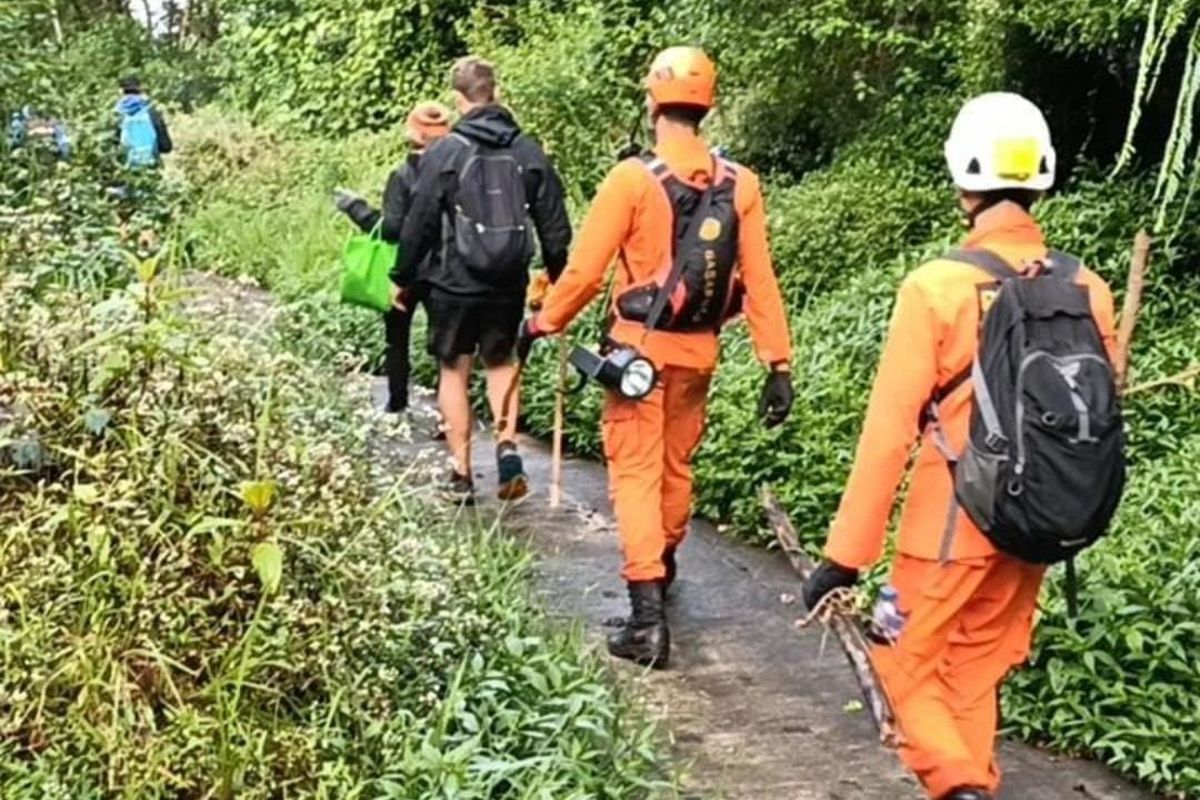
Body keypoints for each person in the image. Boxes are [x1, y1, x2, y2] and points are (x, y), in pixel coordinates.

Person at [801, 93, 1119, 800]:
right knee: (970, 674)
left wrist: (843, 558)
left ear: (963, 181)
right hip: (1038, 522)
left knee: (896, 662)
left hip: (948, 527)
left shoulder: (937, 287)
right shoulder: (1087, 288)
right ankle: (972, 785)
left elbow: (887, 434)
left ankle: (962, 790)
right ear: (1041, 177)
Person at [517, 47, 794, 669]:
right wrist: (777, 362)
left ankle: (646, 620)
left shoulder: (632, 180)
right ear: (709, 105)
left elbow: (585, 271)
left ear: (652, 102)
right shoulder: (739, 183)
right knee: (675, 467)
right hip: (699, 353)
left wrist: (542, 322)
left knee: (637, 476)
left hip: (638, 354)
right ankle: (661, 572)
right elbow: (760, 279)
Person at [396, 56, 571, 504]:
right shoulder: (528, 151)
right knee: (501, 361)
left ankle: (461, 474)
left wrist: (403, 276)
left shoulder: (446, 152)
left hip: (454, 281)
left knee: (454, 369)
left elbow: (419, 221)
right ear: (496, 92)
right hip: (507, 281)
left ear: (459, 99)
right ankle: (508, 448)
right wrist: (559, 280)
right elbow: (554, 225)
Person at [335, 101, 452, 413]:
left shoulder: (401, 175)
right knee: (446, 347)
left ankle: (397, 402)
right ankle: (447, 415)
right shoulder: (456, 171)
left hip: (404, 267)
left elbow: (391, 228)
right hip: (445, 268)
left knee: (396, 337)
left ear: (410, 134)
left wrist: (355, 207)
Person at [115, 76, 172, 168]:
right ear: (140, 90)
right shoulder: (152, 112)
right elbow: (166, 147)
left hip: (124, 171)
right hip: (150, 170)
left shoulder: (116, 115)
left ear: (121, 91)